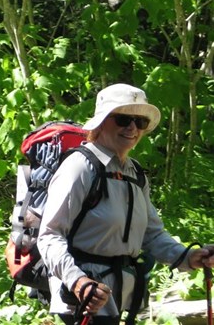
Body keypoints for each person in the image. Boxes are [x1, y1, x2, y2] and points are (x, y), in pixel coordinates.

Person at [36, 83, 214, 324]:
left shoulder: (135, 173)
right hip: (82, 303)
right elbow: (49, 235)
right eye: (123, 119)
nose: (132, 127)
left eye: (139, 122)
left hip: (121, 297)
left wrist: (188, 257)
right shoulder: (80, 167)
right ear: (101, 121)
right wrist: (78, 281)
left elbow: (150, 235)